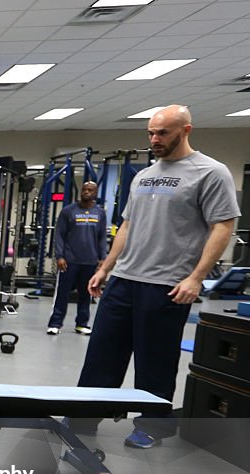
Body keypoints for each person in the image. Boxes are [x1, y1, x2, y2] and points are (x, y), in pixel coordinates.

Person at [77, 104, 239, 448]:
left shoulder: (210, 172)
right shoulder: (144, 175)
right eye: (151, 132)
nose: (154, 139)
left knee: (155, 361)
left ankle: (152, 425)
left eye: (162, 133)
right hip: (124, 278)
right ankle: (82, 417)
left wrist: (196, 277)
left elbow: (222, 226)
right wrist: (106, 267)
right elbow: (127, 225)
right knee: (101, 354)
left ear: (186, 130)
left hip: (167, 284)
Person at [47, 181, 106, 335]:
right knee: (62, 294)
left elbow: (101, 237)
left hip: (90, 261)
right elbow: (59, 235)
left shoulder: (100, 213)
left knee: (86, 295)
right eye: (84, 189)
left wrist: (102, 258)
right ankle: (55, 323)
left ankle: (81, 324)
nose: (86, 192)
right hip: (69, 261)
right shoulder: (68, 211)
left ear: (95, 193)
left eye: (90, 190)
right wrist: (59, 256)